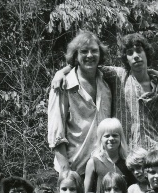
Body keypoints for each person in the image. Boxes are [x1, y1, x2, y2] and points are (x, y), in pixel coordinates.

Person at [47, 30, 114, 176]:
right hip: (74, 169)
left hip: (102, 169)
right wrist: (66, 173)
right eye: (84, 51)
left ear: (100, 54)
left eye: (94, 51)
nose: (89, 55)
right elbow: (56, 134)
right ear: (76, 56)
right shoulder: (62, 85)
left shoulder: (107, 83)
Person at [84, 118, 128, 193]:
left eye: (115, 135)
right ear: (100, 139)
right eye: (107, 136)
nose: (111, 138)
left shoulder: (127, 162)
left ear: (121, 138)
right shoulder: (94, 162)